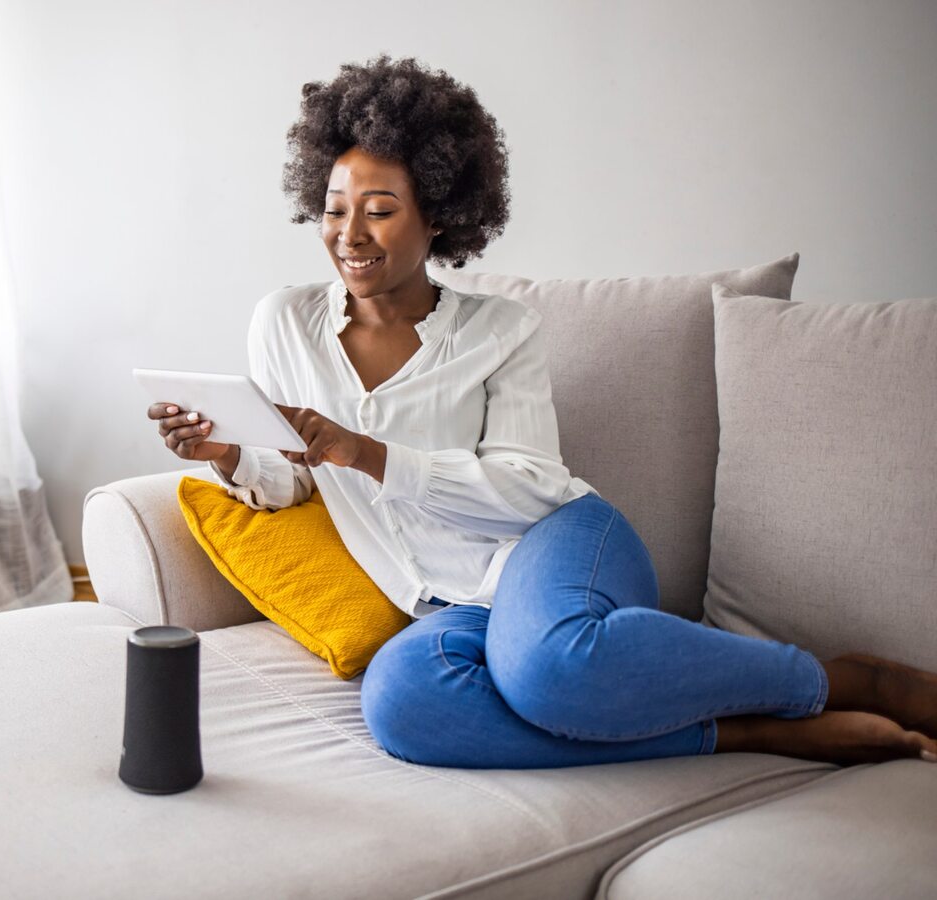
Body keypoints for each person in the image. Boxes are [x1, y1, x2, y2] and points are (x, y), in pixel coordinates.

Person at [148, 55, 937, 769]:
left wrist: (368, 452)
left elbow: (530, 487)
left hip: (558, 542)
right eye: (333, 209)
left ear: (441, 216)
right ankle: (751, 731)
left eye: (379, 210)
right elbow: (288, 486)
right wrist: (224, 455)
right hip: (441, 602)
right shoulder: (282, 323)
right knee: (404, 706)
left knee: (548, 670)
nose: (348, 235)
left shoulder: (499, 329)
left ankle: (832, 679)